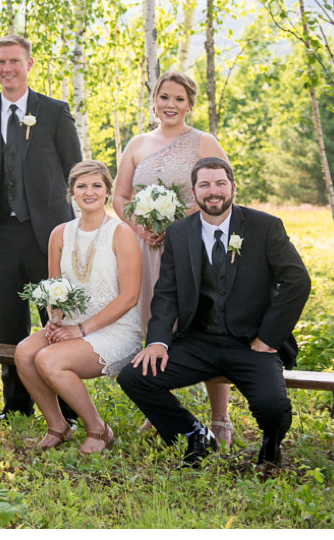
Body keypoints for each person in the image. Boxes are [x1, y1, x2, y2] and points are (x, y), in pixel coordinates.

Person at [118, 158, 311, 475]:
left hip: (251, 344)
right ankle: (195, 438)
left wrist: (268, 337)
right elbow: (167, 293)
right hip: (199, 341)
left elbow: (297, 281)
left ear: (233, 188)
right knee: (134, 377)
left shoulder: (265, 227)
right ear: (194, 193)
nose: (214, 191)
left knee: (274, 408)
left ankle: (270, 449)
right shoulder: (179, 233)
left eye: (220, 183)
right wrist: (157, 342)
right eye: (205, 185)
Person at [0, 34, 82, 422]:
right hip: (1, 235)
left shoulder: (54, 111)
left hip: (48, 234)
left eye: (14, 61)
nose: (6, 69)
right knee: (9, 322)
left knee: (55, 319)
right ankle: (17, 404)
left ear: (29, 64)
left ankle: (65, 402)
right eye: (0, 62)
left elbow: (74, 170)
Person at [111, 70, 233, 444]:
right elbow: (120, 197)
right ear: (155, 100)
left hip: (195, 249)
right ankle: (161, 407)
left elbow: (223, 191)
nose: (171, 105)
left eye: (179, 98)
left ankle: (220, 419)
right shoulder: (137, 144)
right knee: (156, 326)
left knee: (204, 326)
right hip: (149, 250)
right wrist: (141, 226)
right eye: (165, 97)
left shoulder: (203, 141)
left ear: (190, 104)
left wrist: (183, 223)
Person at [14, 161, 142, 454]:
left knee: (48, 360)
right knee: (24, 352)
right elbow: (52, 289)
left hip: (114, 330)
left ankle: (99, 430)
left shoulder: (121, 233)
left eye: (97, 185)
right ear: (71, 192)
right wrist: (55, 320)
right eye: (81, 186)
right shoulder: (60, 234)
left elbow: (130, 296)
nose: (89, 192)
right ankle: (58, 426)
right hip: (70, 327)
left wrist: (81, 329)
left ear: (108, 191)